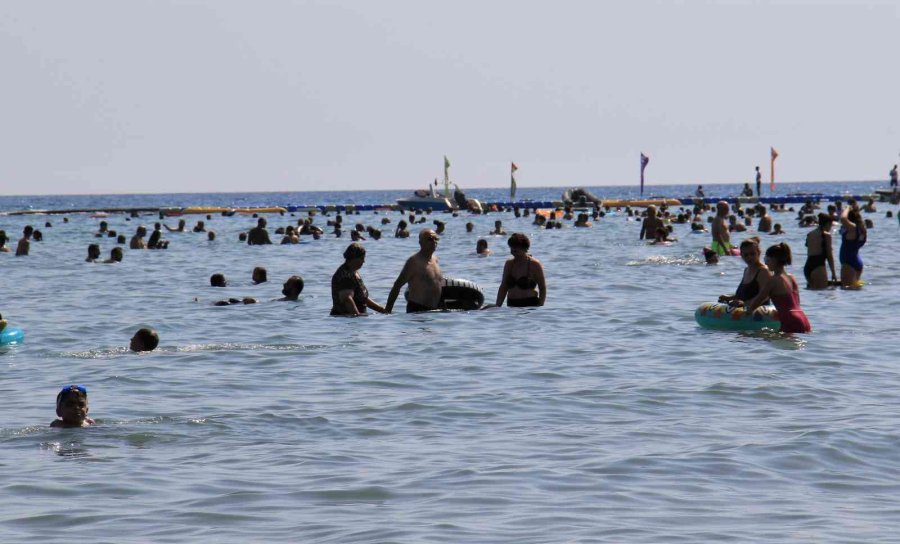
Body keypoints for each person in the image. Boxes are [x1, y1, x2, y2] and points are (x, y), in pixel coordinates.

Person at [746, 243, 811, 333]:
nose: (765, 263)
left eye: (767, 259)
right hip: (803, 318)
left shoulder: (774, 280)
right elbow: (796, 302)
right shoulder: (791, 277)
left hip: (790, 320)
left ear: (774, 260)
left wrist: (746, 312)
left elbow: (758, 301)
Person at [385, 229, 443, 313]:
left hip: (433, 311)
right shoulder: (413, 262)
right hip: (417, 311)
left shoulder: (436, 260)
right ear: (420, 242)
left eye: (436, 239)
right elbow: (397, 286)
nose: (434, 242)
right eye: (430, 239)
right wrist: (388, 311)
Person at [331, 243, 387, 316]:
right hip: (347, 321)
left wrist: (382, 309)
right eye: (362, 258)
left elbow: (363, 298)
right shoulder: (345, 275)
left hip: (356, 320)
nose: (364, 261)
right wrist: (357, 316)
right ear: (354, 258)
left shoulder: (353, 272)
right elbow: (347, 299)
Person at [495, 233, 547, 308]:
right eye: (511, 247)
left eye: (516, 247)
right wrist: (497, 305)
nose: (513, 250)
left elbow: (542, 288)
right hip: (512, 305)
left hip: (530, 305)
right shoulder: (509, 264)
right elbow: (503, 287)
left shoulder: (535, 264)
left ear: (525, 248)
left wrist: (540, 305)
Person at [719, 237, 772, 307]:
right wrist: (729, 298)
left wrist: (745, 304)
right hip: (744, 312)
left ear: (759, 253)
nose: (749, 257)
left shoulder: (763, 271)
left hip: (759, 313)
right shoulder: (746, 270)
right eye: (746, 255)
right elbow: (744, 295)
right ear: (741, 255)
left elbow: (766, 296)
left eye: (752, 254)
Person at [804, 213, 837, 289]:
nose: (831, 227)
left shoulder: (810, 234)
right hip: (818, 266)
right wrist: (833, 273)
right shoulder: (826, 235)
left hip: (808, 266)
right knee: (823, 294)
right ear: (828, 224)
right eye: (831, 225)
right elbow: (829, 255)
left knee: (814, 295)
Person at [839, 205, 867, 289]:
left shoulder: (853, 228)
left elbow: (843, 219)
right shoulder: (861, 229)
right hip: (855, 260)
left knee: (847, 290)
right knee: (854, 289)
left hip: (848, 263)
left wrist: (847, 208)